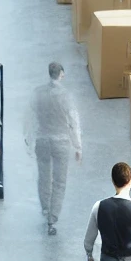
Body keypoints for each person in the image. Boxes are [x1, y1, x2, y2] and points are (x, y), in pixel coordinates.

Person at [25, 62, 82, 236]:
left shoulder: (37, 93)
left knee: (43, 176)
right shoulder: (66, 96)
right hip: (61, 142)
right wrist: (78, 146)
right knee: (59, 181)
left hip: (42, 141)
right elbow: (74, 122)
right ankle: (53, 216)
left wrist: (29, 140)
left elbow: (30, 118)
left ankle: (45, 207)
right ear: (61, 74)